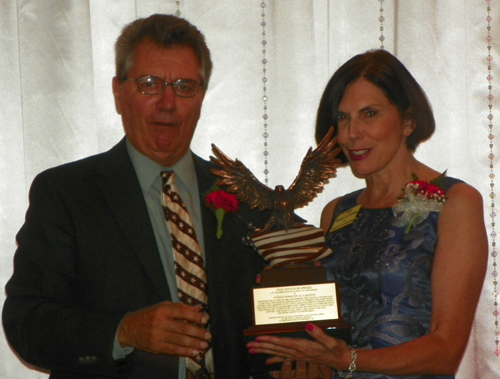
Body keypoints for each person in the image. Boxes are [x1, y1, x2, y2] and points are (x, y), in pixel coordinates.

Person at [2, 14, 276, 379]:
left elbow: (274, 311)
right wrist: (124, 331)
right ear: (118, 92)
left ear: (201, 97)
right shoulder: (67, 193)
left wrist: (299, 355)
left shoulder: (243, 195)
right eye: (149, 84)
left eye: (184, 86)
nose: (167, 102)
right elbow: (27, 323)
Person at [246, 49, 488, 378]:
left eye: (369, 113)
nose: (350, 134)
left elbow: (446, 350)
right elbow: (332, 335)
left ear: (408, 121)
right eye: (343, 117)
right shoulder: (337, 211)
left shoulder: (455, 202)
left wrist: (349, 360)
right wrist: (305, 358)